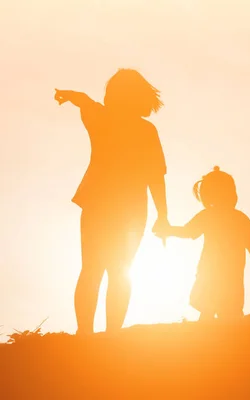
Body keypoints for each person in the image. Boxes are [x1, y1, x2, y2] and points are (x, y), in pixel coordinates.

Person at [54, 69, 169, 334]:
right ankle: (112, 333)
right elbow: (156, 178)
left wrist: (68, 95)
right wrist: (163, 215)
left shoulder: (102, 119)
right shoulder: (145, 130)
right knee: (120, 271)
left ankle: (85, 333)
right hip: (131, 209)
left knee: (92, 269)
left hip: (99, 202)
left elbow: (84, 100)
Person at [156, 166, 250, 319]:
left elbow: (188, 231)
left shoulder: (209, 215)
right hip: (229, 272)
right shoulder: (239, 218)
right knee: (228, 311)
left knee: (209, 310)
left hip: (212, 270)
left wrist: (169, 230)